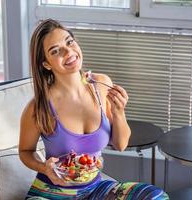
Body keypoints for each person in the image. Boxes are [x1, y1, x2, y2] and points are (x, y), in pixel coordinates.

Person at [19, 18, 169, 200]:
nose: (68, 52)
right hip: (51, 193)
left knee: (156, 197)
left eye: (69, 42)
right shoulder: (39, 107)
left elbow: (121, 144)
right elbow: (25, 151)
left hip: (95, 190)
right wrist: (44, 167)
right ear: (46, 64)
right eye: (56, 51)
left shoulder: (101, 85)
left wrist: (119, 111)